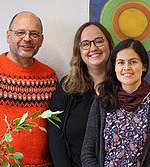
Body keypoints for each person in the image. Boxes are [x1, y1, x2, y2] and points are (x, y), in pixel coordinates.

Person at [81, 38, 150, 167]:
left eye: (133, 62)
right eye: (120, 62)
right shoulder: (101, 102)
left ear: (144, 66)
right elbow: (87, 153)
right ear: (114, 67)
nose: (126, 68)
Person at [47, 22, 114, 167]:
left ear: (109, 44)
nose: (93, 48)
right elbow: (55, 137)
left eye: (99, 41)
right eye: (86, 44)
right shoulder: (67, 87)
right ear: (79, 50)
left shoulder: (123, 87)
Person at [0, 11, 58, 166]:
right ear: (8, 36)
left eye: (34, 34)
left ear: (41, 40)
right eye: (20, 33)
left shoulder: (49, 77)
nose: (27, 38)